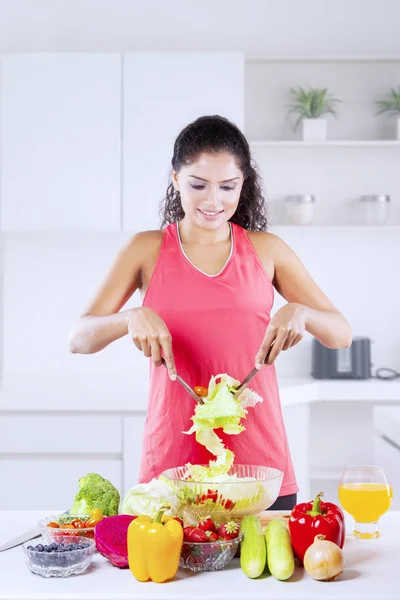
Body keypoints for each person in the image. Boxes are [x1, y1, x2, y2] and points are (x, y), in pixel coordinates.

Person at [68, 115, 352, 511]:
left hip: (260, 470)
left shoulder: (267, 250)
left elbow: (340, 334)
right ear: (175, 179)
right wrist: (131, 316)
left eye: (227, 186)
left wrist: (300, 312)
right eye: (198, 185)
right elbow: (79, 339)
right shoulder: (145, 249)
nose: (213, 200)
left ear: (244, 184)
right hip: (172, 472)